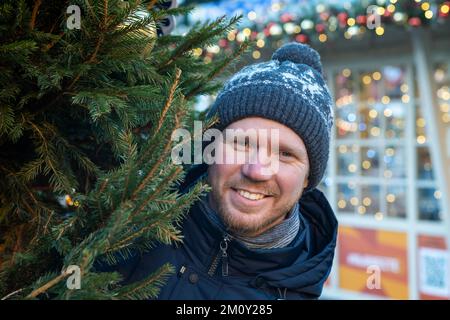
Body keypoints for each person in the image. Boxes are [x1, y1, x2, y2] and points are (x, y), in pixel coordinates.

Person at [105, 42, 337, 300]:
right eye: (241, 143)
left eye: (285, 154)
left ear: (307, 178)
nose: (257, 170)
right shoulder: (126, 226)